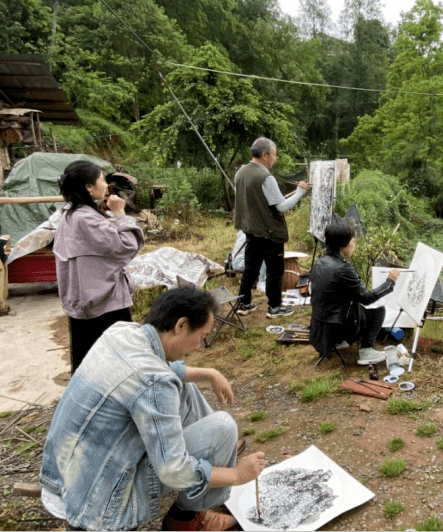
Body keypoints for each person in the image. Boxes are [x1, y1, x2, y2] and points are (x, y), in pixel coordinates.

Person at [39, 287, 267, 532]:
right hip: (99, 502)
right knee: (223, 426)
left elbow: (156, 374)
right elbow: (173, 471)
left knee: (184, 386)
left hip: (65, 477)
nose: (200, 346)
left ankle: (213, 465)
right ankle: (188, 517)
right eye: (201, 336)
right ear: (181, 325)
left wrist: (208, 373)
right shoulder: (155, 383)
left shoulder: (122, 332)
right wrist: (236, 476)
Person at [54, 160, 144, 374]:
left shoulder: (68, 214)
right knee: (114, 367)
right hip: (104, 305)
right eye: (102, 180)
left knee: (88, 363)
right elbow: (126, 245)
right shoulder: (86, 219)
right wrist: (120, 213)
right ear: (88, 188)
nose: (105, 185)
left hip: (84, 303)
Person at [234, 137, 308, 318]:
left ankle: (244, 304)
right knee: (275, 271)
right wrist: (300, 192)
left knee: (251, 268)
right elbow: (281, 207)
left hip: (251, 230)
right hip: (269, 233)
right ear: (265, 155)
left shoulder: (241, 172)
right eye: (274, 155)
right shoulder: (266, 177)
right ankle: (275, 308)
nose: (275, 159)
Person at [309, 223, 400, 364]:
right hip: (336, 327)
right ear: (343, 245)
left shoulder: (320, 262)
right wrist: (389, 282)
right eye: (353, 241)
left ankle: (340, 341)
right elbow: (367, 298)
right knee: (378, 309)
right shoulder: (343, 269)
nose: (354, 244)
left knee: (356, 305)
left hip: (320, 326)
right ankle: (366, 350)